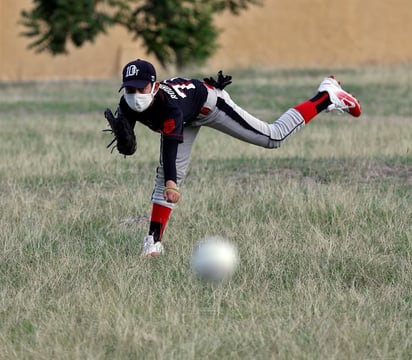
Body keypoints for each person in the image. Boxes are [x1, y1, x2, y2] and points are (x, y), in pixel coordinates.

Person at [104, 59, 361, 257]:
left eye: (141, 88)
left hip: (210, 105)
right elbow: (129, 135)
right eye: (129, 88)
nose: (135, 93)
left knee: (274, 136)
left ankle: (326, 95)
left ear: (155, 85)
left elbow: (170, 147)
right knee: (166, 178)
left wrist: (172, 182)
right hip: (188, 113)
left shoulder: (169, 108)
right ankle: (153, 242)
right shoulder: (127, 103)